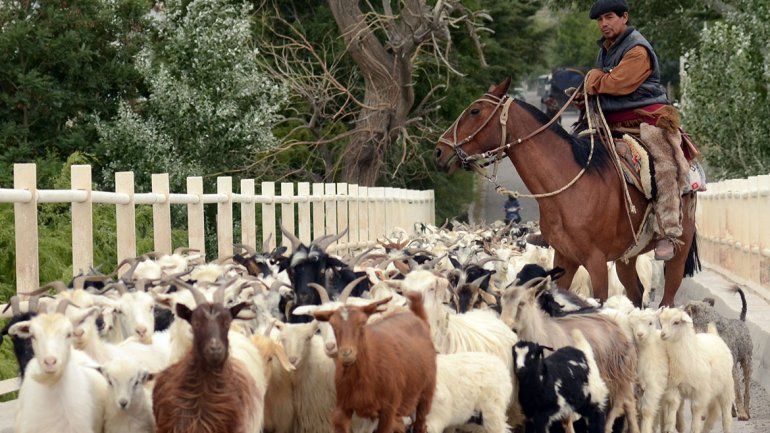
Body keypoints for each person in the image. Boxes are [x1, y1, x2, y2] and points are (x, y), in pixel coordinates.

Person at [584, 0, 689, 261]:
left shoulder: (637, 49)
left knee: (665, 166)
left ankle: (668, 232)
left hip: (646, 122)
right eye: (600, 20)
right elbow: (599, 83)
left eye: (609, 17)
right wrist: (595, 82)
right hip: (610, 122)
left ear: (624, 17)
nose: (604, 24)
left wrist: (595, 78)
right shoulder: (607, 49)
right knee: (572, 155)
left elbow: (617, 84)